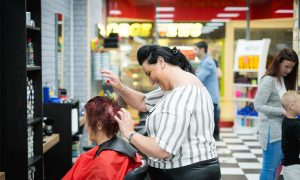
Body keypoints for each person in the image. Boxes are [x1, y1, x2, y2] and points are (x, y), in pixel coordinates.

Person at [101, 44, 221, 180]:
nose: (151, 81)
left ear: (161, 62)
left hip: (187, 174)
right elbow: (142, 102)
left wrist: (130, 133)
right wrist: (120, 87)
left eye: (149, 73)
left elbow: (163, 150)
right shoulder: (173, 88)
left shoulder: (182, 94)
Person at [63, 96, 143, 180]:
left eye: (87, 122)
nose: (86, 128)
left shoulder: (102, 164)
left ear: (99, 125)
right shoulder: (122, 146)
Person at [254, 48, 299, 180]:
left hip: (282, 130)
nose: (289, 70)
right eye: (286, 66)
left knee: (277, 169)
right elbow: (258, 105)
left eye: (292, 67)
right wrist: (282, 111)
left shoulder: (286, 80)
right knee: (269, 169)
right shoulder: (268, 80)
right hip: (271, 132)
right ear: (278, 62)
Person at [193, 41, 220, 140]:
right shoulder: (205, 61)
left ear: (202, 50)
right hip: (210, 96)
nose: (194, 52)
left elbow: (199, 78)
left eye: (195, 49)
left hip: (210, 96)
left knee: (211, 121)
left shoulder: (207, 62)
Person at [281, 90, 300, 180]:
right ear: (292, 106)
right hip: (294, 167)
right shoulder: (295, 125)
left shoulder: (286, 120)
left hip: (288, 166)